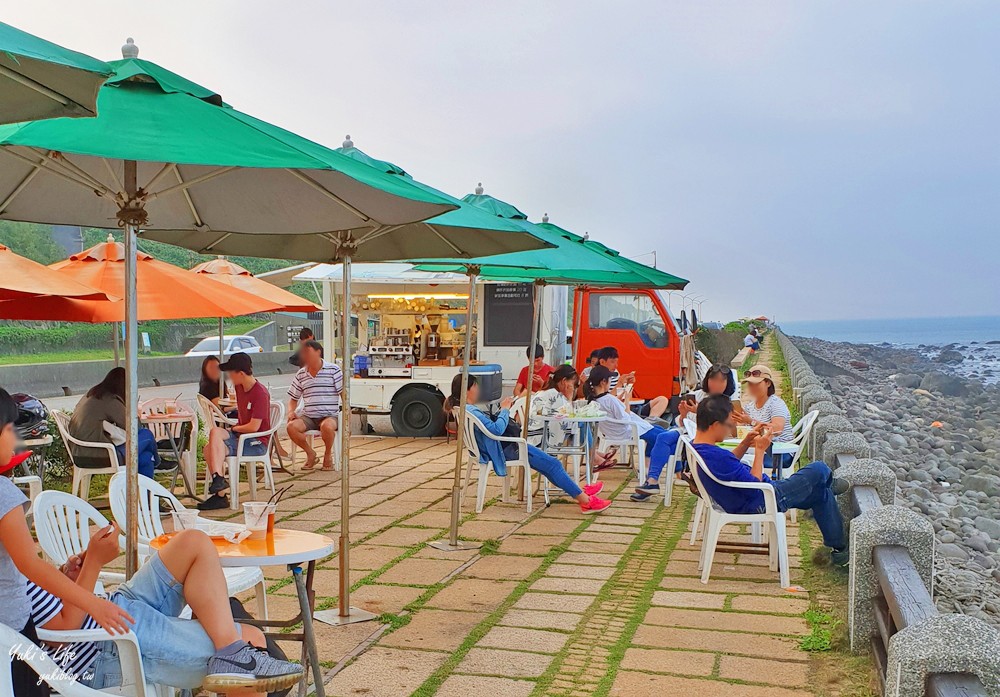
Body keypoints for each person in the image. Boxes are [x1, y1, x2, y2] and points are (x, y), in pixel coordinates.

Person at [28, 526, 303, 692]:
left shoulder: (9, 541)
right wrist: (93, 565)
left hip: (110, 608)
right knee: (252, 641)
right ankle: (235, 654)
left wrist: (67, 579)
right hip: (103, 645)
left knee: (194, 542)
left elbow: (42, 608)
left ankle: (230, 653)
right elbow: (58, 634)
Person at [0, 387, 133, 697]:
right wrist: (94, 604)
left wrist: (62, 576)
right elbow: (29, 564)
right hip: (17, 636)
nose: (13, 435)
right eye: (8, 428)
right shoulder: (3, 494)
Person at [692, 394, 849, 565]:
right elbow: (754, 488)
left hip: (750, 496)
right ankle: (830, 483)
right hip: (762, 499)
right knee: (818, 469)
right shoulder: (714, 455)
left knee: (821, 493)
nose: (731, 429)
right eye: (729, 425)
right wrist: (760, 450)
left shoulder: (701, 448)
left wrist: (745, 443)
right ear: (715, 425)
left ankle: (839, 550)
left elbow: (728, 464)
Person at [448, 373, 611, 514]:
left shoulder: (462, 408)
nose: (478, 390)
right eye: (476, 386)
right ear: (469, 388)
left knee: (549, 465)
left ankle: (580, 492)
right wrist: (505, 409)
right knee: (553, 464)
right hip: (505, 448)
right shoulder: (472, 410)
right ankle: (585, 501)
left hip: (494, 448)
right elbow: (496, 430)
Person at [585, 366, 681, 495]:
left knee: (658, 431)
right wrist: (628, 398)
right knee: (668, 438)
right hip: (631, 430)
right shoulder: (609, 399)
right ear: (603, 382)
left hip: (619, 431)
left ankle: (649, 471)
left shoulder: (594, 400)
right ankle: (676, 469)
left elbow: (613, 407)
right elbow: (625, 415)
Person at [200, 353, 271, 511]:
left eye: (231, 373)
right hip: (240, 436)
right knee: (214, 435)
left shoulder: (260, 393)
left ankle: (220, 494)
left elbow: (253, 427)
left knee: (210, 448)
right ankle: (219, 480)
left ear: (240, 373)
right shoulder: (239, 387)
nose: (229, 377)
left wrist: (233, 429)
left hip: (255, 441)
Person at [69, 367, 160, 479]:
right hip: (98, 454)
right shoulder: (109, 400)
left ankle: (146, 496)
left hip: (80, 452)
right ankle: (159, 463)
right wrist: (130, 408)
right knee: (147, 435)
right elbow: (134, 427)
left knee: (145, 457)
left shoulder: (93, 394)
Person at [526, 365, 614, 467]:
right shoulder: (555, 395)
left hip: (536, 434)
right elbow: (569, 413)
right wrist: (569, 397)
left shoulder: (548, 392)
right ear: (564, 381)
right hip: (540, 439)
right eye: (574, 385)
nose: (575, 388)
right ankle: (592, 454)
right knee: (580, 423)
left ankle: (592, 452)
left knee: (578, 424)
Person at [287, 340, 342, 471]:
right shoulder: (301, 374)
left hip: (330, 415)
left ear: (318, 352)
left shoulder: (333, 370)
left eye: (308, 353)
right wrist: (291, 412)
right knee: (291, 427)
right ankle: (310, 453)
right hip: (309, 416)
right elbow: (293, 399)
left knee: (326, 427)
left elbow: (344, 395)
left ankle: (328, 454)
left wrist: (347, 415)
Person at [732, 365, 794, 472]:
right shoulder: (750, 406)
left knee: (741, 463)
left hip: (779, 453)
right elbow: (738, 433)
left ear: (768, 383)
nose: (752, 387)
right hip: (757, 449)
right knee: (732, 459)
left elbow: (777, 429)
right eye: (750, 384)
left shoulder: (776, 404)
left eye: (756, 383)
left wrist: (750, 421)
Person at [595, 346, 669, 420]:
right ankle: (649, 423)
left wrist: (629, 385)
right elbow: (605, 400)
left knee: (663, 399)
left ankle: (651, 420)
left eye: (616, 362)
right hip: (618, 412)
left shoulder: (615, 373)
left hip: (625, 407)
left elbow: (625, 396)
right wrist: (619, 384)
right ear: (602, 362)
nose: (616, 365)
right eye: (612, 362)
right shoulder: (596, 375)